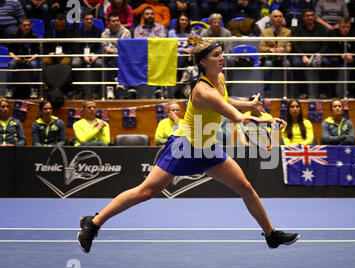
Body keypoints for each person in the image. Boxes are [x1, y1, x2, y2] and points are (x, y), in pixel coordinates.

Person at [77, 34, 299, 253]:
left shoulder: (219, 79)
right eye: (215, 55)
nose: (221, 58)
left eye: (221, 54)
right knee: (146, 192)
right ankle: (93, 223)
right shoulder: (202, 91)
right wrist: (267, 120)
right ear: (203, 62)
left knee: (246, 188)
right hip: (184, 147)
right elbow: (236, 117)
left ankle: (271, 235)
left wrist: (249, 104)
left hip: (208, 147)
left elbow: (227, 101)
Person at [290, 9, 328, 99]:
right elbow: (295, 45)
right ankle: (303, 92)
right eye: (307, 15)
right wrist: (302, 56)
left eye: (312, 15)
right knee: (296, 64)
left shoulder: (321, 28)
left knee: (326, 63)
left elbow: (325, 44)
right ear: (303, 17)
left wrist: (319, 54)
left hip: (318, 54)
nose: (310, 17)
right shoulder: (297, 29)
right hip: (301, 55)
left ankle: (323, 92)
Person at [71, 10, 104, 99]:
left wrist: (96, 55)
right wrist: (83, 56)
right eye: (87, 19)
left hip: (94, 55)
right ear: (83, 20)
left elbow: (101, 46)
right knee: (75, 63)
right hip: (81, 55)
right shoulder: (78, 32)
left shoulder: (98, 31)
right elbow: (76, 48)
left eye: (91, 19)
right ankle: (79, 90)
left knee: (99, 63)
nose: (89, 21)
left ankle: (94, 90)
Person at [259, 10, 291, 97]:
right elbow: (261, 47)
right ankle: (267, 92)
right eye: (276, 16)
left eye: (280, 16)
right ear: (271, 19)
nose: (278, 18)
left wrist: (283, 50)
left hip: (282, 58)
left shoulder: (287, 32)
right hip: (270, 57)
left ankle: (287, 92)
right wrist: (271, 49)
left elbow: (289, 47)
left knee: (287, 64)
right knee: (268, 64)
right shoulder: (265, 32)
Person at [6, 18, 40, 99]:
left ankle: (34, 90)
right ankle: (9, 89)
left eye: (28, 25)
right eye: (24, 25)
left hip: (30, 59)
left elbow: (37, 53)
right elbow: (10, 51)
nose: (27, 27)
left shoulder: (34, 36)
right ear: (20, 26)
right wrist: (16, 58)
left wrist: (31, 59)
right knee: (11, 64)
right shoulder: (14, 35)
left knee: (34, 65)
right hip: (17, 58)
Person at [326, 17, 355, 98]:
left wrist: (352, 55)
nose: (345, 29)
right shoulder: (334, 33)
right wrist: (341, 55)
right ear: (339, 26)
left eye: (347, 27)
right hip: (337, 56)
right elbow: (332, 48)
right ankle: (333, 91)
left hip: (349, 57)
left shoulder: (353, 34)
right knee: (333, 61)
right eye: (343, 27)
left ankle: (351, 89)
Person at [101, 13, 132, 99]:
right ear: (109, 23)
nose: (116, 23)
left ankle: (111, 87)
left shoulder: (126, 32)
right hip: (108, 57)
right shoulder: (105, 33)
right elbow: (105, 49)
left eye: (117, 21)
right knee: (114, 57)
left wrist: (113, 50)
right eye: (113, 21)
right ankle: (117, 79)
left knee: (115, 57)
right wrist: (116, 50)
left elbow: (126, 49)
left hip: (124, 57)